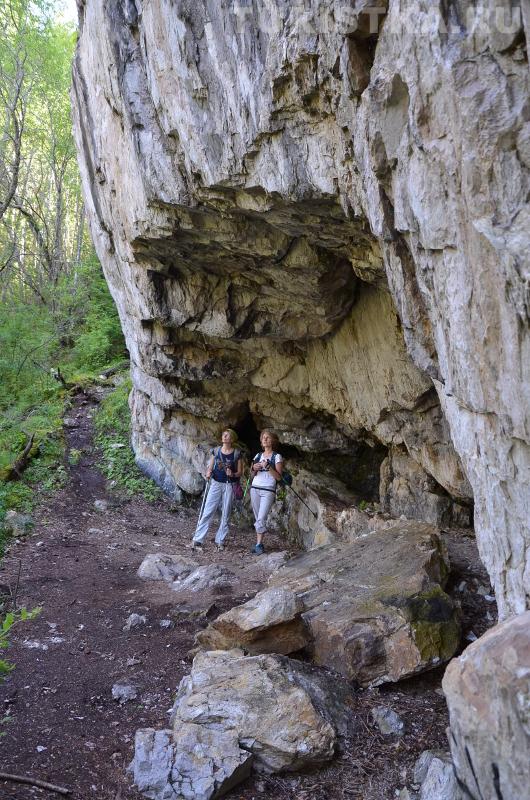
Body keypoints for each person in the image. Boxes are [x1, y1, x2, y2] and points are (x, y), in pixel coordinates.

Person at [191, 429, 242, 552]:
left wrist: (233, 474)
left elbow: (240, 472)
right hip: (216, 483)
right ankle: (198, 538)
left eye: (227, 435)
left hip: (229, 484)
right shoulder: (216, 450)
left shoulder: (237, 454)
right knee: (208, 510)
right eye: (223, 434)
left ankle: (220, 540)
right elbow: (211, 465)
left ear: (232, 439)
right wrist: (208, 472)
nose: (224, 436)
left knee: (225, 513)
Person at [250, 429, 283, 555]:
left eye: (268, 437)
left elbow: (279, 477)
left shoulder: (277, 457)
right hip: (255, 488)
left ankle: (259, 544)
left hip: (268, 489)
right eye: (263, 437)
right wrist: (254, 468)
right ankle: (259, 543)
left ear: (273, 441)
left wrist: (268, 467)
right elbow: (251, 475)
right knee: (258, 517)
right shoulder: (257, 456)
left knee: (261, 517)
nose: (265, 439)